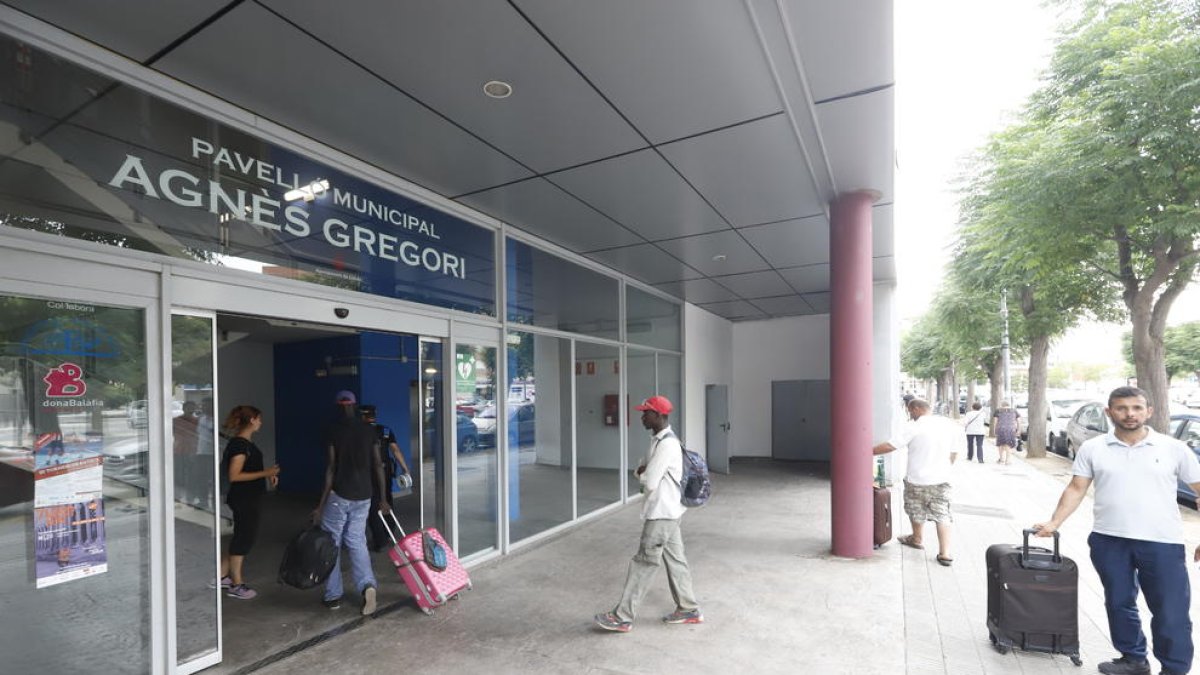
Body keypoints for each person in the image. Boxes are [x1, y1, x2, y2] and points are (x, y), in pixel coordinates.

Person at [1032, 387, 1200, 675]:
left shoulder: (1173, 449)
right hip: (1108, 539)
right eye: (1121, 408)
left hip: (1162, 542)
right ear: (1109, 413)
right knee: (1119, 602)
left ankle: (1174, 669)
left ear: (1149, 411)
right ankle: (1133, 658)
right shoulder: (1093, 448)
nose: (1129, 414)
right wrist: (1054, 522)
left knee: (1171, 612)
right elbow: (1076, 488)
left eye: (1136, 408)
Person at [594, 395, 701, 633]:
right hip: (669, 511)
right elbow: (645, 471)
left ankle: (622, 617)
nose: (642, 416)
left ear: (660, 416)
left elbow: (649, 480)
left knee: (644, 561)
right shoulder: (658, 440)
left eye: (647, 412)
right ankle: (688, 608)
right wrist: (644, 472)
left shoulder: (667, 444)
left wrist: (642, 474)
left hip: (662, 513)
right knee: (676, 560)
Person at [313, 390, 389, 615]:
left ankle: (333, 595)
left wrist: (320, 505)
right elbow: (378, 465)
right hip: (364, 494)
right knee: (356, 540)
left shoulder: (333, 430)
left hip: (340, 494)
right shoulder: (369, 430)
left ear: (338, 406)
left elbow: (331, 468)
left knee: (331, 542)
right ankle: (367, 585)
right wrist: (383, 498)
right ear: (355, 406)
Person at [872, 398, 958, 566]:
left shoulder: (915, 426)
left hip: (917, 479)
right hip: (942, 479)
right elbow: (954, 453)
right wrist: (944, 468)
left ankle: (917, 538)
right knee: (943, 514)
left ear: (917, 408)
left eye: (910, 411)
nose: (910, 415)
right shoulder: (948, 425)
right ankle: (945, 553)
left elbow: (891, 446)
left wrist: (867, 451)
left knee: (915, 508)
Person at [218, 405, 280, 600]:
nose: (260, 422)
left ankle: (220, 575)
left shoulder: (244, 443)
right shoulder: (240, 445)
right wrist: (266, 473)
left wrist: (266, 475)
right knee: (244, 538)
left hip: (248, 497)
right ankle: (237, 584)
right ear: (252, 420)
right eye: (259, 419)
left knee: (241, 536)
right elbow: (234, 475)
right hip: (244, 499)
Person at [359, 404, 412, 552]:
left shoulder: (360, 432)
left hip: (368, 472)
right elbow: (395, 450)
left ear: (362, 416)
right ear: (375, 415)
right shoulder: (385, 430)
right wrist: (405, 469)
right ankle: (389, 533)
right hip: (386, 470)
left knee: (372, 506)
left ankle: (379, 541)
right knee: (386, 500)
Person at [992, 401, 1020, 465]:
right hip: (1011, 429)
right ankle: (1007, 460)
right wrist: (1018, 430)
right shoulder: (1014, 411)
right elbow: (1018, 421)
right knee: (1008, 444)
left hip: (1001, 429)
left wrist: (994, 430)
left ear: (1002, 405)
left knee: (1000, 444)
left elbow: (995, 422)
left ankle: (1001, 459)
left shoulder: (998, 411)